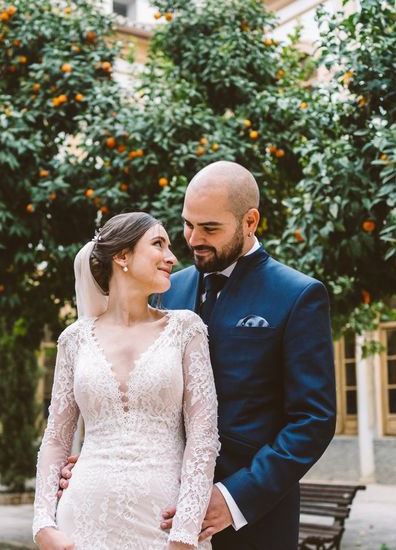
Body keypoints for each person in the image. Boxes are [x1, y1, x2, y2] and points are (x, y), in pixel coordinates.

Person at [59, 161, 336, 549]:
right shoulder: (165, 291)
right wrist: (98, 463)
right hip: (157, 517)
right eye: (188, 224)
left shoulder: (298, 295)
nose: (192, 239)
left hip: (253, 524)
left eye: (209, 229)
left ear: (250, 221)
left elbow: (313, 420)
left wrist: (234, 497)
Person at [32, 212, 221, 550]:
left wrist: (185, 531)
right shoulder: (74, 340)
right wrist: (43, 522)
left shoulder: (186, 329)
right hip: (84, 520)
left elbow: (203, 438)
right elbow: (57, 439)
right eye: (158, 244)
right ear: (122, 256)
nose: (172, 257)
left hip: (164, 524)